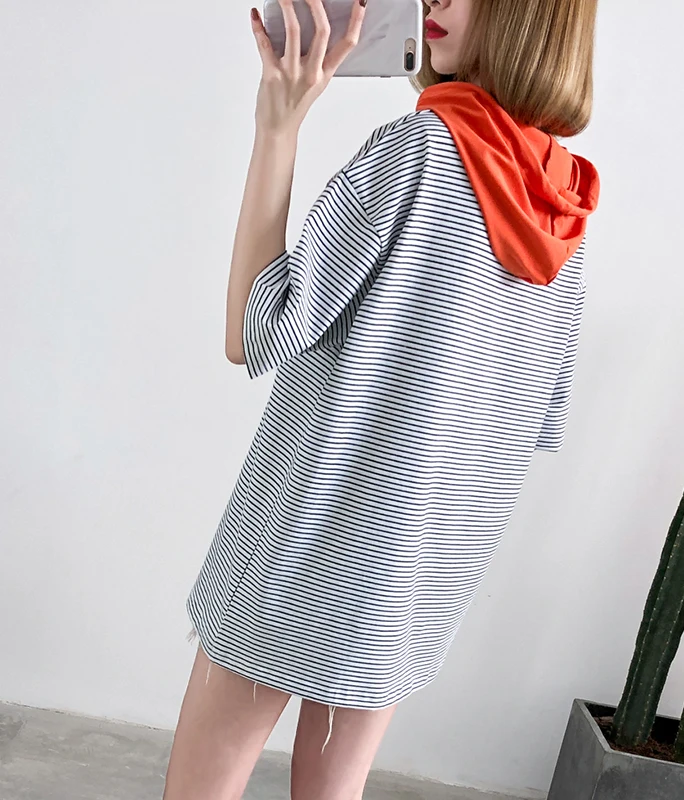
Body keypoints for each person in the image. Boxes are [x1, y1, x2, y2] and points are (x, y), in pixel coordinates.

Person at [163, 0, 600, 797]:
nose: (434, 1)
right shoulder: (566, 205)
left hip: (301, 542)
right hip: (413, 578)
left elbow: (255, 331)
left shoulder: (419, 151)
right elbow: (534, 421)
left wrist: (277, 126)